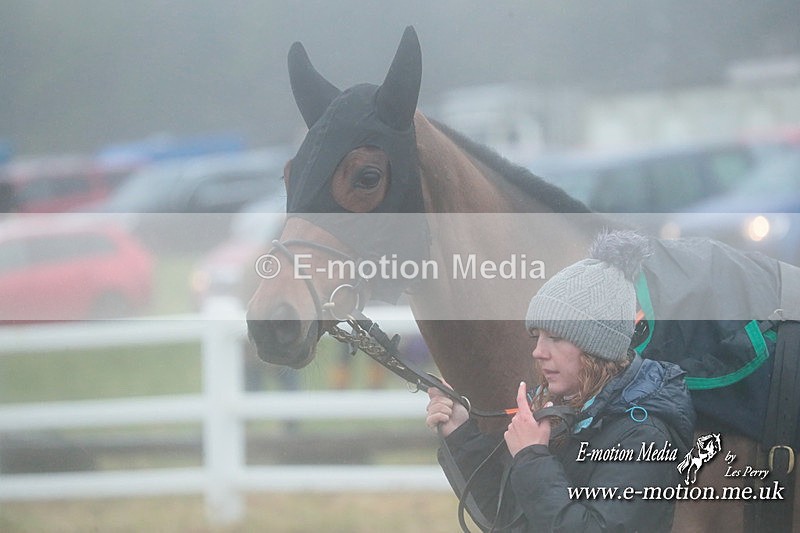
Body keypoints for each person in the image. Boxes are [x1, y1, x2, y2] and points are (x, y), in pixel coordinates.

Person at [426, 231, 696, 532]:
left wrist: (531, 458)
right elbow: (508, 518)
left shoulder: (644, 436)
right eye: (537, 336)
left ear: (597, 346)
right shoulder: (562, 411)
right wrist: (462, 436)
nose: (538, 352)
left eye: (555, 337)